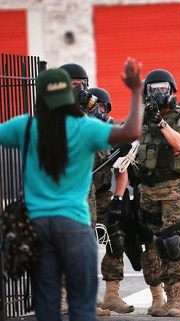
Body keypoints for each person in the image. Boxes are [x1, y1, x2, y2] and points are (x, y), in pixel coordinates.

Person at [0, 58, 143, 321]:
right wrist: (135, 90)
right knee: (82, 305)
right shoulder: (85, 127)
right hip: (75, 225)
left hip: (37, 226)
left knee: (46, 304)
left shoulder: (26, 126)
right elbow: (132, 131)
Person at [134, 68, 180, 317]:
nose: (158, 94)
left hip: (173, 187)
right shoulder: (140, 118)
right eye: (153, 90)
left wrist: (159, 122)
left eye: (163, 89)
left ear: (172, 91)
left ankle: (179, 299)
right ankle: (158, 297)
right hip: (146, 188)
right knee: (149, 243)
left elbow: (179, 143)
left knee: (172, 240)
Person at [85, 87, 134, 314]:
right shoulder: (79, 129)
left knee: (115, 236)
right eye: (94, 107)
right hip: (80, 192)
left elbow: (121, 170)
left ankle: (112, 294)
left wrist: (118, 199)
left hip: (103, 191)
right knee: (82, 243)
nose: (98, 112)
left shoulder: (114, 131)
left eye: (102, 108)